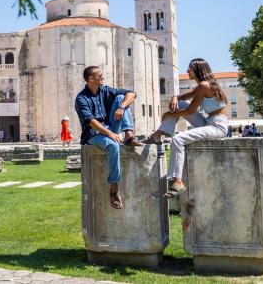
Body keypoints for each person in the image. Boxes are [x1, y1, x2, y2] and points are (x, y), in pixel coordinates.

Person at [149, 58, 229, 198]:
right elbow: (181, 98)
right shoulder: (200, 86)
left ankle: (177, 181)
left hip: (217, 126)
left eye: (190, 69)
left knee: (178, 139)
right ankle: (159, 133)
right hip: (208, 121)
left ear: (198, 70)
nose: (187, 71)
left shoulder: (204, 85)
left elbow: (191, 111)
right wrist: (175, 97)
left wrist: (168, 114)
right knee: (180, 103)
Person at [75, 65, 143, 210]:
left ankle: (129, 135)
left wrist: (122, 107)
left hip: (110, 128)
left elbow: (132, 93)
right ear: (91, 79)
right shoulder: (81, 98)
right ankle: (114, 188)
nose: (103, 77)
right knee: (113, 145)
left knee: (120, 97)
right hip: (94, 134)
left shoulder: (106, 90)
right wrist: (109, 133)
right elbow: (91, 121)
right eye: (100, 76)